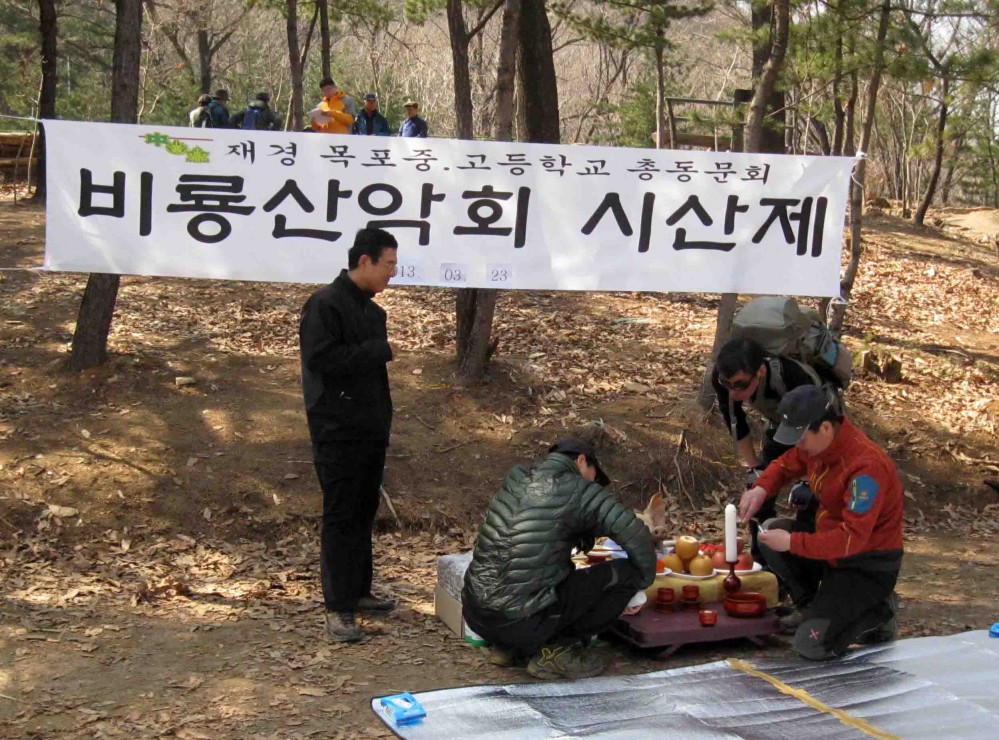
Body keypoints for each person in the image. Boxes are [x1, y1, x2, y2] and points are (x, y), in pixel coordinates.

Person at [462, 437, 657, 680]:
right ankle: (555, 652)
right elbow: (635, 533)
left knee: (524, 574)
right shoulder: (580, 489)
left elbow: (540, 526)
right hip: (522, 622)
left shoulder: (517, 477)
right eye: (593, 474)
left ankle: (509, 648)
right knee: (626, 574)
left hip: (477, 614)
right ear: (581, 460)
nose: (593, 482)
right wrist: (645, 580)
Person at [738, 385, 903, 660]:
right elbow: (787, 463)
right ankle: (813, 609)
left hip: (865, 566)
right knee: (774, 532)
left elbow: (851, 539)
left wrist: (793, 542)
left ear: (825, 428)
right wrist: (761, 488)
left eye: (801, 438)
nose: (798, 445)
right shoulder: (818, 446)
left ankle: (880, 615)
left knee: (811, 645)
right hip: (832, 555)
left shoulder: (866, 468)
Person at [299, 228, 400, 643]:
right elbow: (321, 357)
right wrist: (380, 351)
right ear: (365, 261)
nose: (393, 274)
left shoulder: (373, 312)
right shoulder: (325, 304)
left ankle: (358, 592)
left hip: (370, 428)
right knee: (341, 515)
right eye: (388, 265)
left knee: (363, 509)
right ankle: (338, 607)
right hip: (336, 429)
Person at [713, 336, 823, 559]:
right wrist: (755, 469)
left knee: (809, 500)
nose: (733, 392)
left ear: (760, 371)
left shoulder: (792, 377)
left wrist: (807, 479)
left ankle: (806, 562)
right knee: (758, 492)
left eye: (740, 385)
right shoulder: (723, 380)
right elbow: (737, 424)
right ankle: (762, 561)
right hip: (779, 427)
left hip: (817, 432)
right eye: (728, 384)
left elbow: (817, 433)